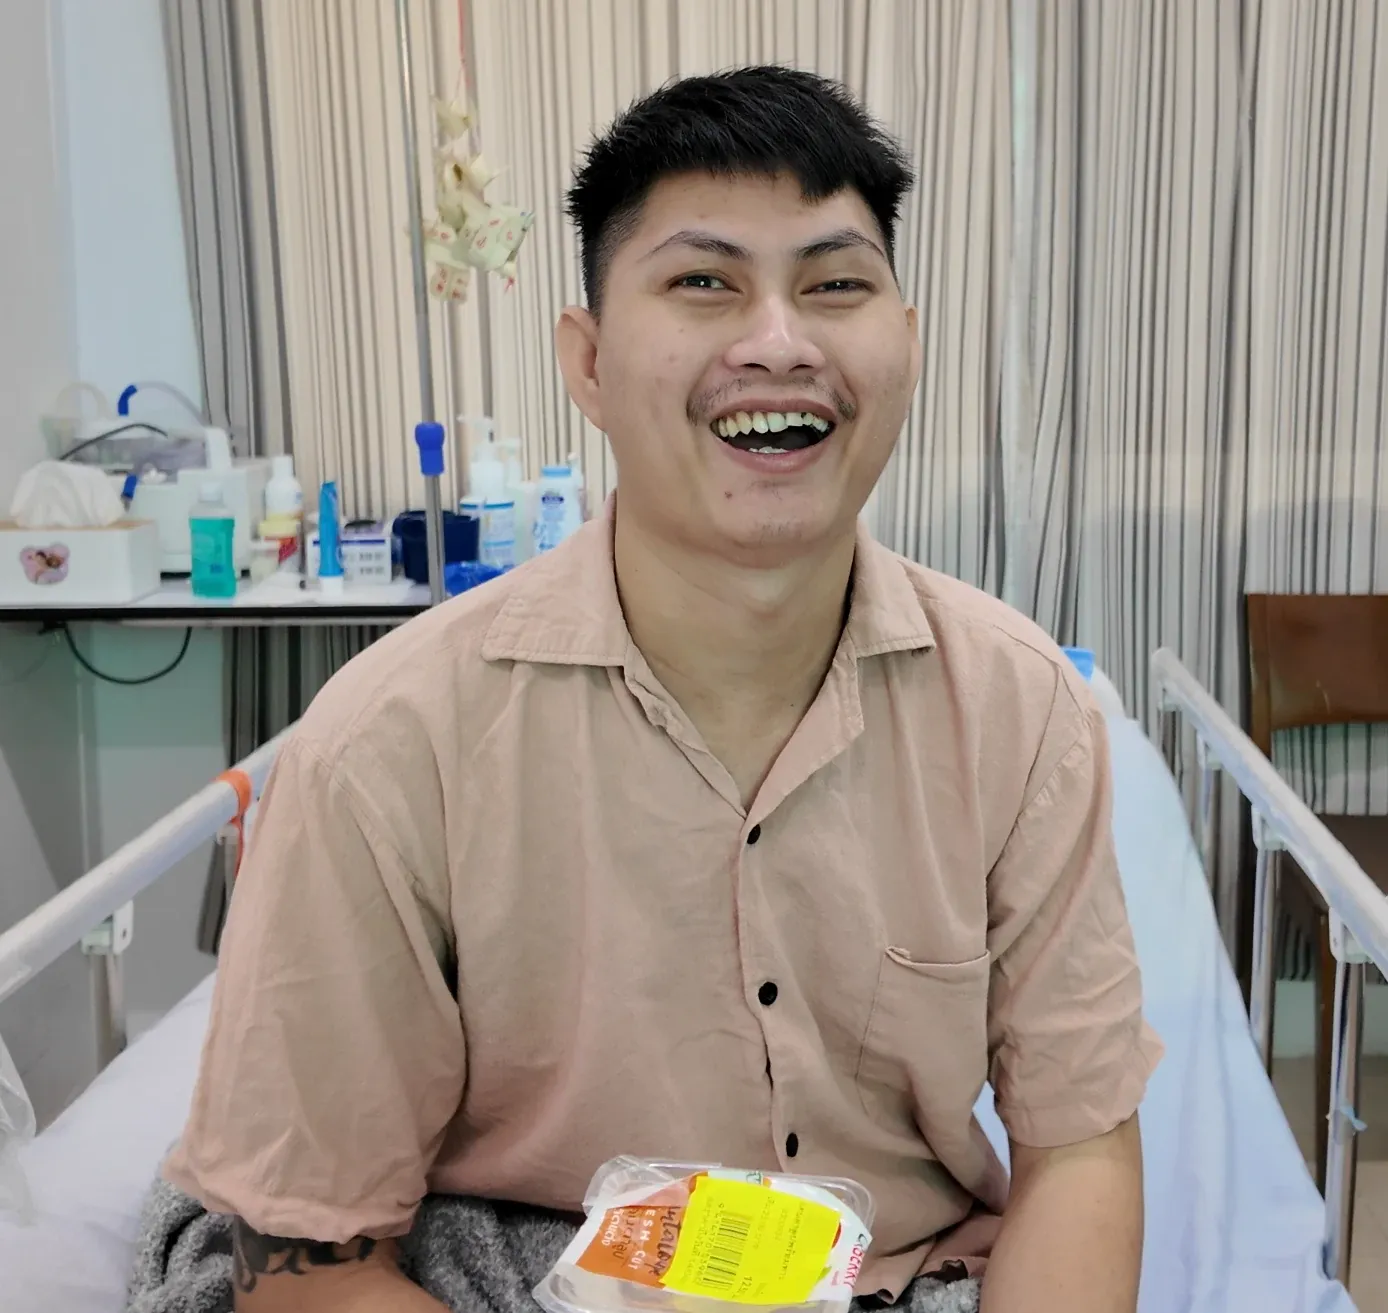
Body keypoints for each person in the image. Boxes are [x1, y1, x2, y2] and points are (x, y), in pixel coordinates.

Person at [165, 65, 1162, 1313]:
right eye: (703, 283)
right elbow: (307, 1261)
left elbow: (1077, 1149)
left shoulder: (1018, 713)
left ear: (905, 343)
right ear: (586, 363)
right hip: (506, 1272)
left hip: (892, 1275)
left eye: (834, 284)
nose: (778, 342)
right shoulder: (390, 745)